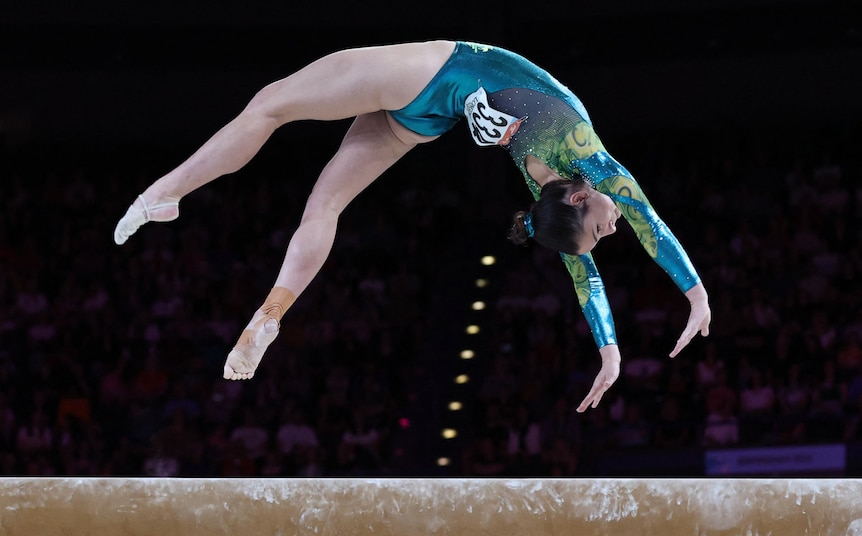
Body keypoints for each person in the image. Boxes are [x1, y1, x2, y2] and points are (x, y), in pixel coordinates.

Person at [113, 40, 711, 412]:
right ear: (580, 195)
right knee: (321, 203)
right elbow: (649, 224)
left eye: (599, 236)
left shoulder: (554, 198)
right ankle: (259, 304)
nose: (612, 231)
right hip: (439, 99)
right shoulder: (589, 156)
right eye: (605, 230)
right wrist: (696, 294)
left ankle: (169, 202)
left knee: (271, 107)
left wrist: (608, 351)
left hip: (427, 79)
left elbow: (584, 273)